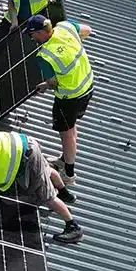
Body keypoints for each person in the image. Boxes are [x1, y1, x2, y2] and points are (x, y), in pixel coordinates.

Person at [25, 14, 94, 186]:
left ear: (40, 33)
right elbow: (87, 30)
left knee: (66, 134)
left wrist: (45, 85)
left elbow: (53, 82)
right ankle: (64, 159)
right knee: (71, 127)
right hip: (88, 86)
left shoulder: (44, 55)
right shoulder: (65, 27)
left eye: (32, 35)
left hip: (69, 98)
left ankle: (69, 174)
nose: (32, 39)